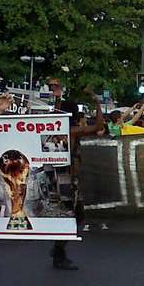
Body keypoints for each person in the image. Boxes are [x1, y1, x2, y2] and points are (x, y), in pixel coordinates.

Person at [51, 84, 105, 270]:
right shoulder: (72, 131)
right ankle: (59, 252)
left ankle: (58, 250)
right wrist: (97, 102)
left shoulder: (56, 129)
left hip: (61, 177)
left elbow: (55, 114)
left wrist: (58, 98)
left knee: (72, 216)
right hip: (67, 179)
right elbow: (99, 125)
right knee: (72, 217)